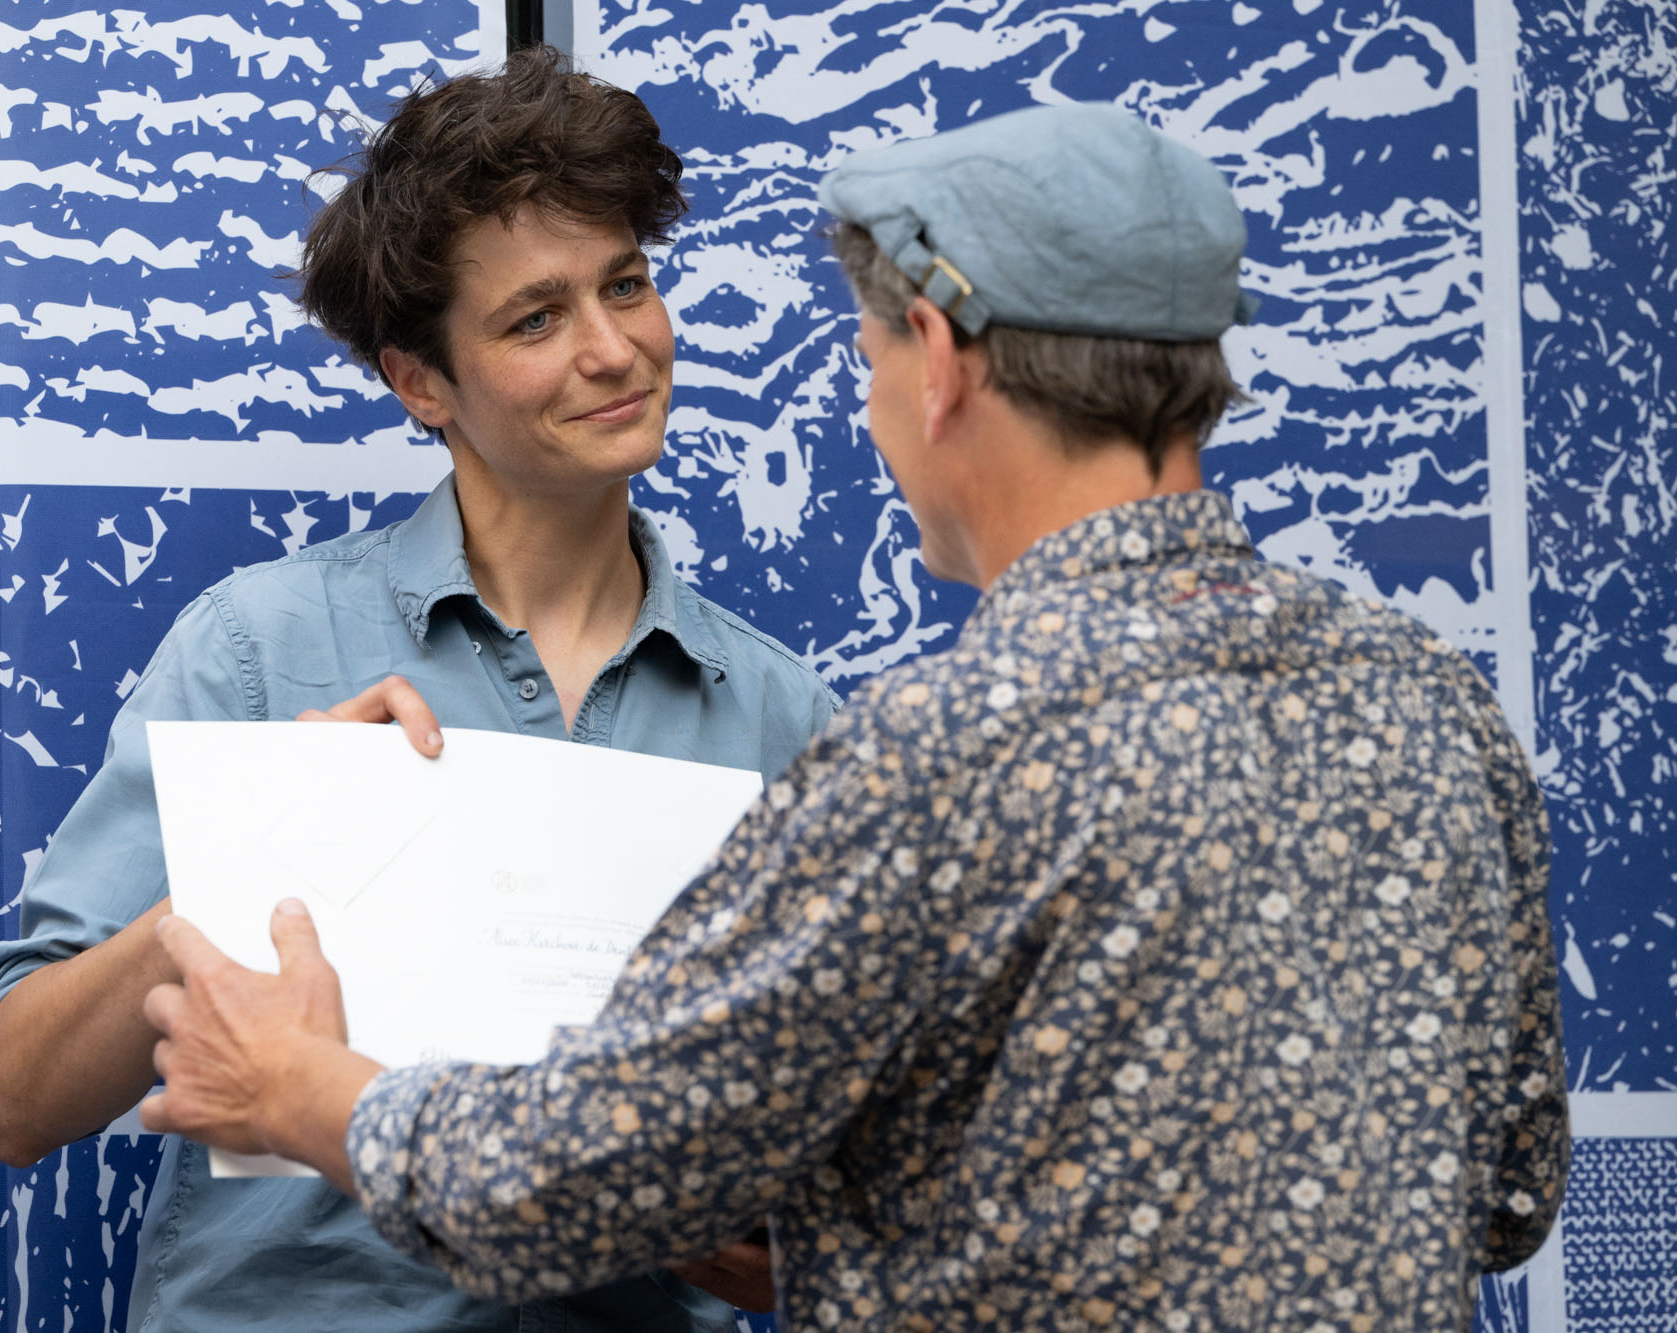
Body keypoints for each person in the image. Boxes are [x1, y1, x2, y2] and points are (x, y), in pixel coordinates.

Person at [138, 103, 1571, 1330]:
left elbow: (565, 1177)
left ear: (941, 357)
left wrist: (301, 1088)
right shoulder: (1433, 701)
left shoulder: (945, 751)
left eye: (877, 356)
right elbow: (1509, 1191)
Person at [0, 46, 836, 1332]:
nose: (613, 351)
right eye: (536, 319)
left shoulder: (781, 713)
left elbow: (833, 1189)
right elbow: (13, 1099)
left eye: (627, 286)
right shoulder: (256, 648)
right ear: (419, 381)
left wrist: (780, 1247)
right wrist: (251, 857)